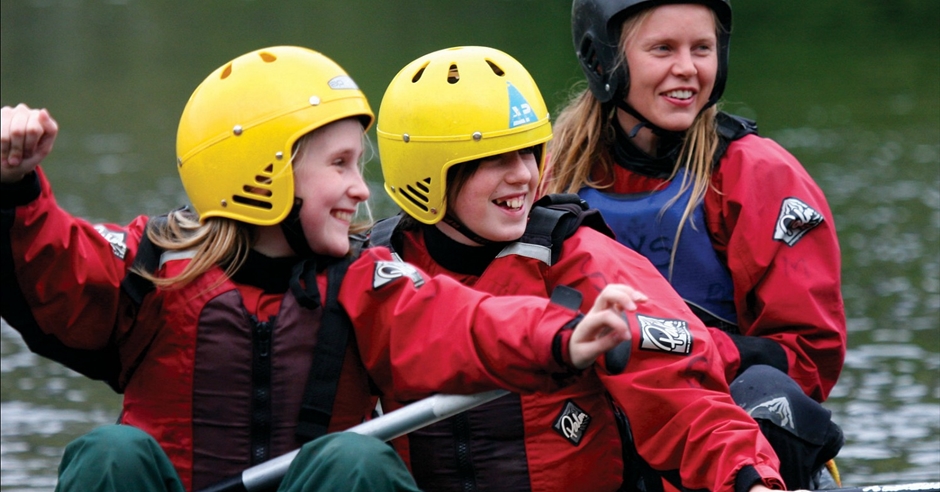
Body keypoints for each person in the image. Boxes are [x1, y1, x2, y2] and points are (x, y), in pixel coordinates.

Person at [0, 46, 644, 492]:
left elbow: (463, 323)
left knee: (353, 462)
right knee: (110, 454)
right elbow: (53, 262)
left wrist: (563, 335)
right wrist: (17, 183)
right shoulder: (154, 265)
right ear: (262, 172)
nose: (362, 191)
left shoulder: (366, 278)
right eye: (339, 165)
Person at [372, 45, 792, 492]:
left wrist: (751, 481)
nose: (524, 176)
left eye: (530, 152)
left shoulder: (583, 259)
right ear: (426, 171)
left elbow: (684, 397)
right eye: (496, 159)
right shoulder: (377, 273)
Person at [540, 0, 847, 488]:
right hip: (593, 425)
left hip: (723, 425)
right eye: (662, 48)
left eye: (701, 48)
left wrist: (670, 352)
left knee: (770, 392)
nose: (687, 68)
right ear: (604, 60)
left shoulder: (759, 174)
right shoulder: (545, 176)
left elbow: (810, 355)